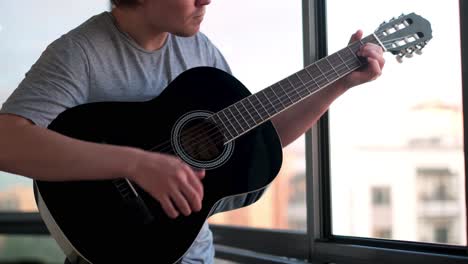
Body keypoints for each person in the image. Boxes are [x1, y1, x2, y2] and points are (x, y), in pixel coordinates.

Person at [0, 0, 385, 263]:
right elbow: (7, 140)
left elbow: (254, 139)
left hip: (193, 254)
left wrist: (339, 84)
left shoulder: (201, 51)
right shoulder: (80, 53)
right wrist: (136, 164)